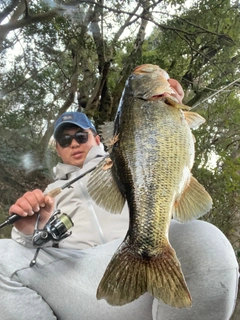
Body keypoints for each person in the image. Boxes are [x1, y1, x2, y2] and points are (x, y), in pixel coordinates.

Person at [0, 79, 238, 320]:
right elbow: (33, 257)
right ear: (58, 149)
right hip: (80, 281)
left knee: (206, 240)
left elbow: (163, 148)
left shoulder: (125, 159)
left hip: (139, 262)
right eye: (64, 140)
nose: (73, 143)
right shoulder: (49, 192)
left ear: (97, 138)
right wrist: (30, 232)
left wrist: (170, 109)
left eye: (81, 136)